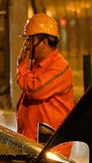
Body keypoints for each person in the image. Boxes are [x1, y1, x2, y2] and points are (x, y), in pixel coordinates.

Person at [15, 13, 74, 142]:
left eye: (30, 39)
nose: (26, 44)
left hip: (50, 146)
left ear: (45, 42)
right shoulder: (37, 66)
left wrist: (22, 66)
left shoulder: (59, 67)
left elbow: (35, 90)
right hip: (34, 142)